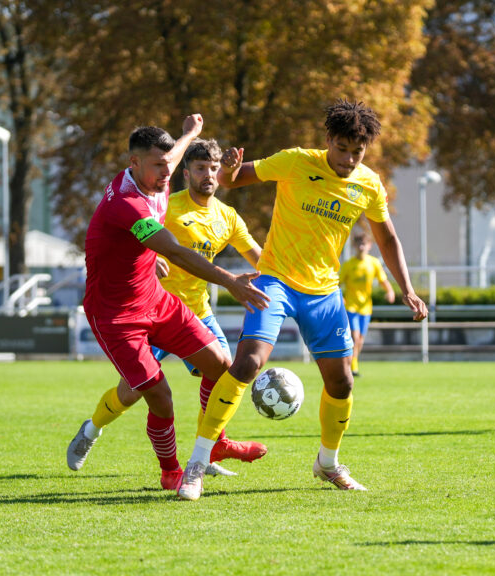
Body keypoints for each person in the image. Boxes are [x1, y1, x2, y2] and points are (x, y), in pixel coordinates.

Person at [177, 99, 428, 501]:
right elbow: (230, 181)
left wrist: (408, 289)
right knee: (247, 362)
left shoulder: (368, 184)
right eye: (341, 148)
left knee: (342, 381)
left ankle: (327, 464)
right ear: (328, 140)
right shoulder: (295, 161)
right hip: (275, 280)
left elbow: (387, 238)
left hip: (325, 292)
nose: (347, 159)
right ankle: (197, 463)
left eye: (356, 152)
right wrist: (226, 166)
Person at [66, 115, 269, 491]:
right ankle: (169, 470)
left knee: (221, 366)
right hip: (116, 315)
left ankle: (216, 443)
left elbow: (173, 155)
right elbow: (175, 251)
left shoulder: (157, 172)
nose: (166, 171)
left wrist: (191, 132)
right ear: (134, 164)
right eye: (157, 165)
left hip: (157, 299)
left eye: (167, 164)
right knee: (158, 397)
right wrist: (229, 281)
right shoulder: (128, 205)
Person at [339, 230, 395, 377]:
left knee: (361, 340)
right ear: (354, 246)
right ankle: (353, 367)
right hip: (351, 306)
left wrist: (390, 291)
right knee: (354, 337)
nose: (361, 247)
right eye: (358, 244)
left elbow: (383, 280)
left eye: (364, 244)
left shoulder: (373, 263)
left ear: (369, 245)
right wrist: (340, 298)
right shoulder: (348, 265)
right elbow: (337, 284)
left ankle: (352, 362)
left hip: (366, 308)